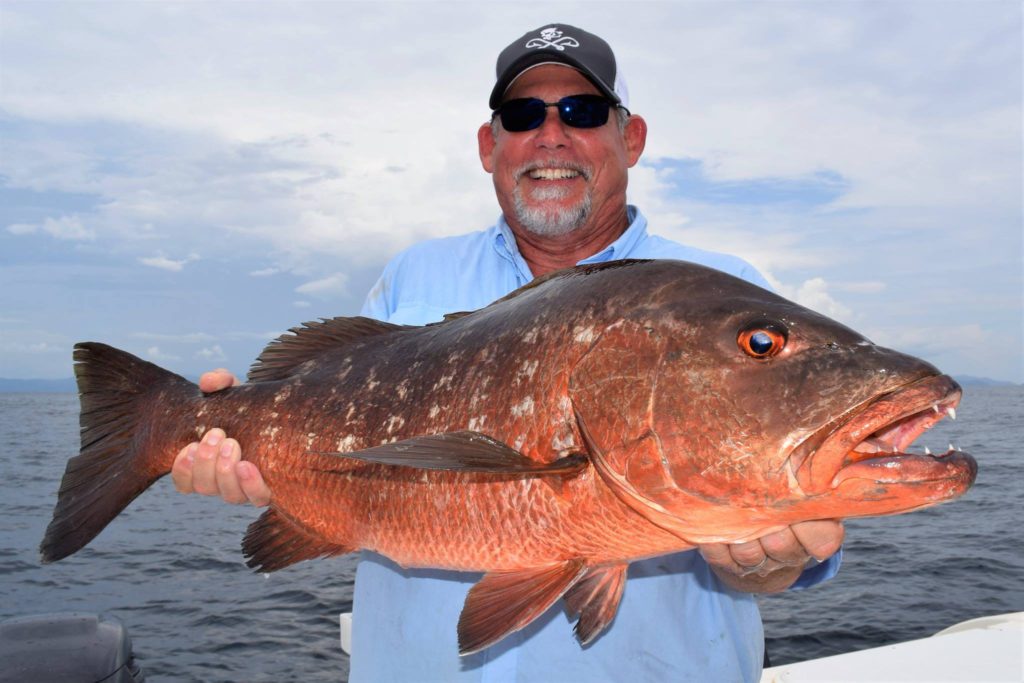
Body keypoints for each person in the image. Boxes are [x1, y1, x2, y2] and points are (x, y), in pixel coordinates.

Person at [172, 23, 844, 682]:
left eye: (582, 110)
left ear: (631, 138)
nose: (551, 135)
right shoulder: (413, 275)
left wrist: (780, 558)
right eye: (523, 114)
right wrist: (250, 462)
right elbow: (331, 446)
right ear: (490, 145)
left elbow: (798, 530)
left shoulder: (727, 290)